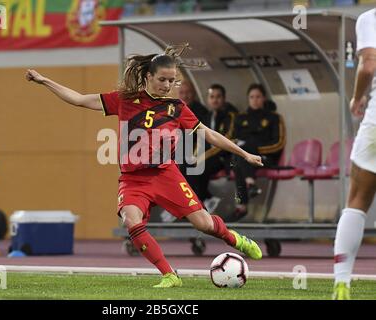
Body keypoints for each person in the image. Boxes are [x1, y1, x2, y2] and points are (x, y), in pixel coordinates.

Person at [26, 44, 264, 288]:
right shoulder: (125, 100)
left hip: (165, 175)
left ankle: (235, 239)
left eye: (172, 81)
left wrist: (244, 154)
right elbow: (78, 99)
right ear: (149, 76)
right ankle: (169, 275)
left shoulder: (177, 108)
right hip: (133, 180)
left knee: (203, 224)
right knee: (131, 221)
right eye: (162, 79)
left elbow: (209, 134)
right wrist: (45, 81)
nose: (167, 85)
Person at [332, 7, 376, 300]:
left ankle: (342, 282)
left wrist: (357, 98)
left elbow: (369, 65)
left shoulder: (369, 18)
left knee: (357, 201)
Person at [231, 83, 286, 221]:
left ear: (264, 98)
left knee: (242, 154)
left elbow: (279, 143)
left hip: (265, 158)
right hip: (244, 158)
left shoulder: (274, 118)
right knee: (239, 157)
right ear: (248, 99)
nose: (255, 100)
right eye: (252, 97)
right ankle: (250, 185)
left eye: (258, 97)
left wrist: (253, 151)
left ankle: (241, 206)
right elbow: (232, 140)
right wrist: (247, 152)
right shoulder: (240, 118)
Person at [185, 84, 237, 210]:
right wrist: (194, 156)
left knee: (199, 166)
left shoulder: (231, 116)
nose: (215, 100)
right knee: (186, 166)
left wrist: (202, 157)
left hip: (223, 156)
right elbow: (200, 139)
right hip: (207, 156)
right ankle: (203, 200)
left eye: (218, 97)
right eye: (212, 97)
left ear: (224, 99)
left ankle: (200, 203)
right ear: (208, 99)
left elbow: (226, 141)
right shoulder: (206, 117)